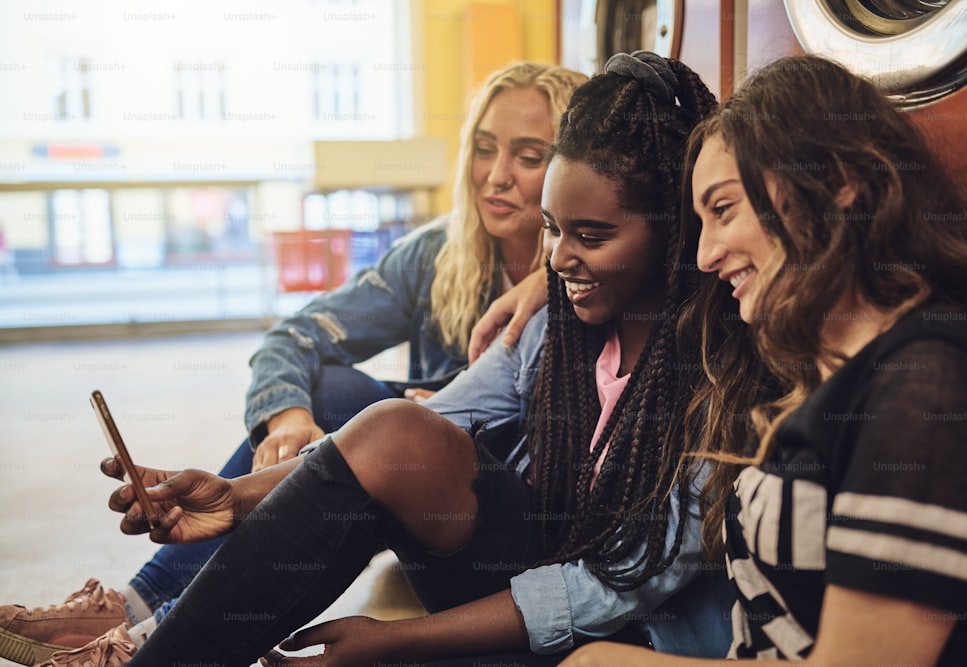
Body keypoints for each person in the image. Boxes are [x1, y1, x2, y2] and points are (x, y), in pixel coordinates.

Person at [93, 52, 729, 667]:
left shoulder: (717, 378)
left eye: (589, 235)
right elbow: (424, 427)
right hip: (533, 556)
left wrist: (401, 639)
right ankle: (154, 644)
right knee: (394, 427)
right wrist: (238, 496)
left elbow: (608, 590)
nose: (559, 259)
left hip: (618, 637)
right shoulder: (552, 325)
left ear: (676, 228)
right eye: (551, 229)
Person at [0, 61, 588, 667]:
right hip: (401, 468)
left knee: (397, 431)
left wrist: (430, 426)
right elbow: (298, 335)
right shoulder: (438, 253)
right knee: (335, 392)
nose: (496, 177)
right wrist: (286, 419)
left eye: (528, 155)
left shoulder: (590, 295)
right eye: (484, 149)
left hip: (475, 513)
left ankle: (159, 635)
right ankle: (134, 606)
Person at [559, 55, 967, 667]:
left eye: (723, 209)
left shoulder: (928, 384)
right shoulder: (837, 369)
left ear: (838, 180)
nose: (707, 254)